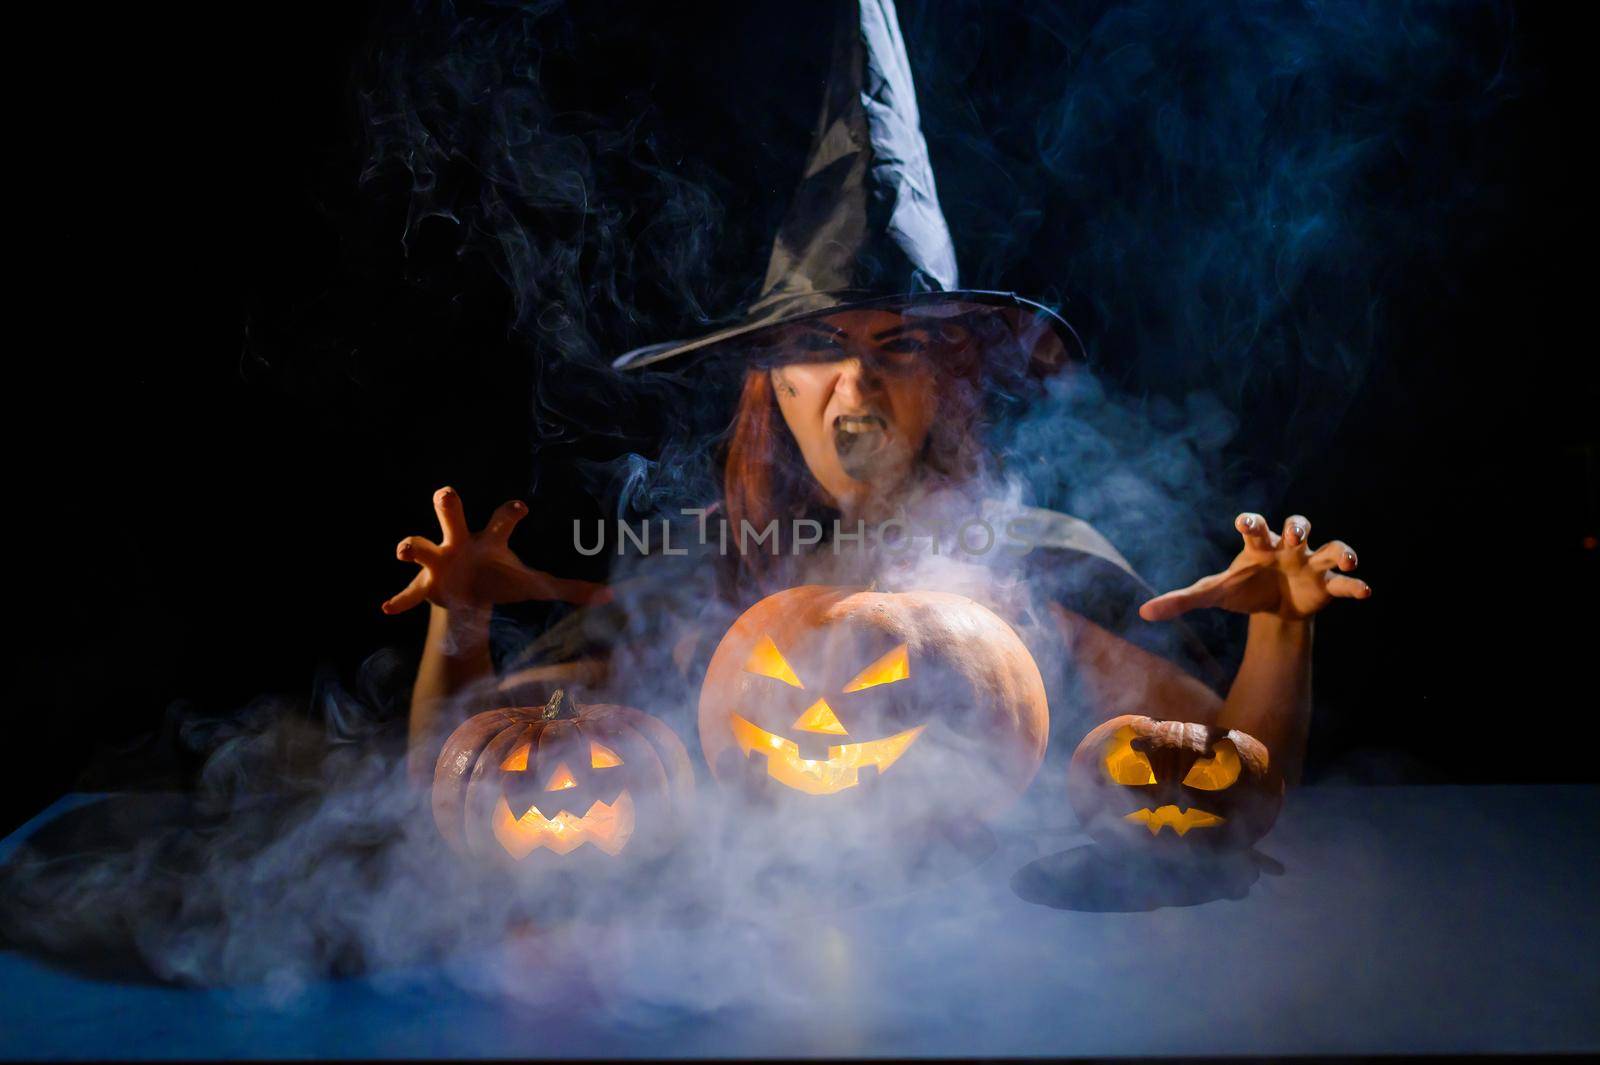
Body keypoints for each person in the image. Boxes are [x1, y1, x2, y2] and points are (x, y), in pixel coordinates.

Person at [381, 0, 1371, 788]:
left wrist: (1281, 631)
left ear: (950, 377)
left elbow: (1235, 777)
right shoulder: (693, 581)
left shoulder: (1031, 574)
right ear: (771, 382)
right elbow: (466, 772)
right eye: (818, 346)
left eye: (896, 347)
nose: (854, 378)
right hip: (733, 978)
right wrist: (458, 625)